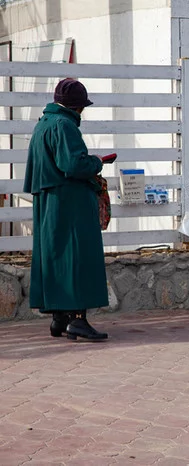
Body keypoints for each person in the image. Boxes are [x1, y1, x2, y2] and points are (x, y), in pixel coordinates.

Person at [23, 78, 109, 341]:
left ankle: (59, 318)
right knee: (78, 257)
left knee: (55, 257)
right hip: (70, 202)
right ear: (77, 107)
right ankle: (78, 320)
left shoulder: (44, 124)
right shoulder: (65, 125)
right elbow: (73, 165)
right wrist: (96, 162)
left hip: (48, 202)